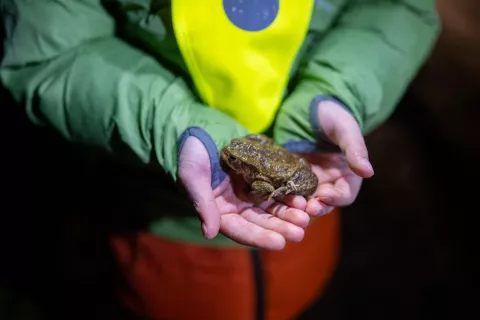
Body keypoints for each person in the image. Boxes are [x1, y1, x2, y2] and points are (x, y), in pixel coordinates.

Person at [0, 0, 440, 319]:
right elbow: (49, 56)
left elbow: (399, 8)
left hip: (308, 200)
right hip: (161, 223)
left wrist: (339, 95)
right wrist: (176, 130)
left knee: (304, 293)